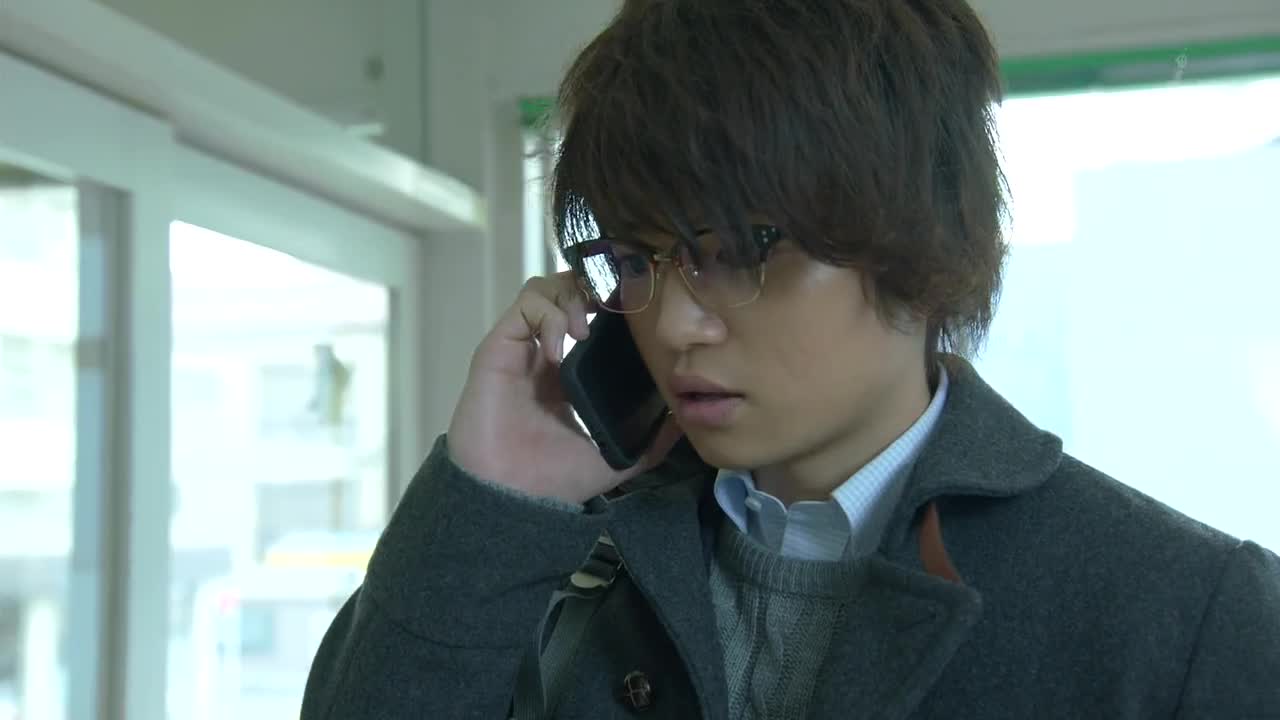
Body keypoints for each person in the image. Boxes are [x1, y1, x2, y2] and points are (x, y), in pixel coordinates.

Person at [301, 0, 1280, 717]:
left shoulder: (1192, 612)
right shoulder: (543, 560)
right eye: (635, 261)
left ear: (919, 238)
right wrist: (493, 497)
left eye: (737, 250)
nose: (673, 324)